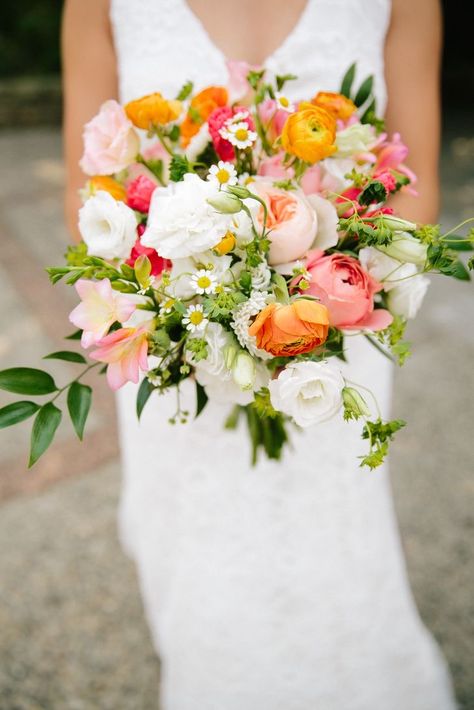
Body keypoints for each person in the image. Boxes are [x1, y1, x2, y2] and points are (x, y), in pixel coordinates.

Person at [62, 1, 456, 708]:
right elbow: (82, 189)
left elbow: (417, 182)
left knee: (336, 541)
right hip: (175, 345)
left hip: (340, 336)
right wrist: (184, 313)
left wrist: (316, 306)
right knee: (198, 554)